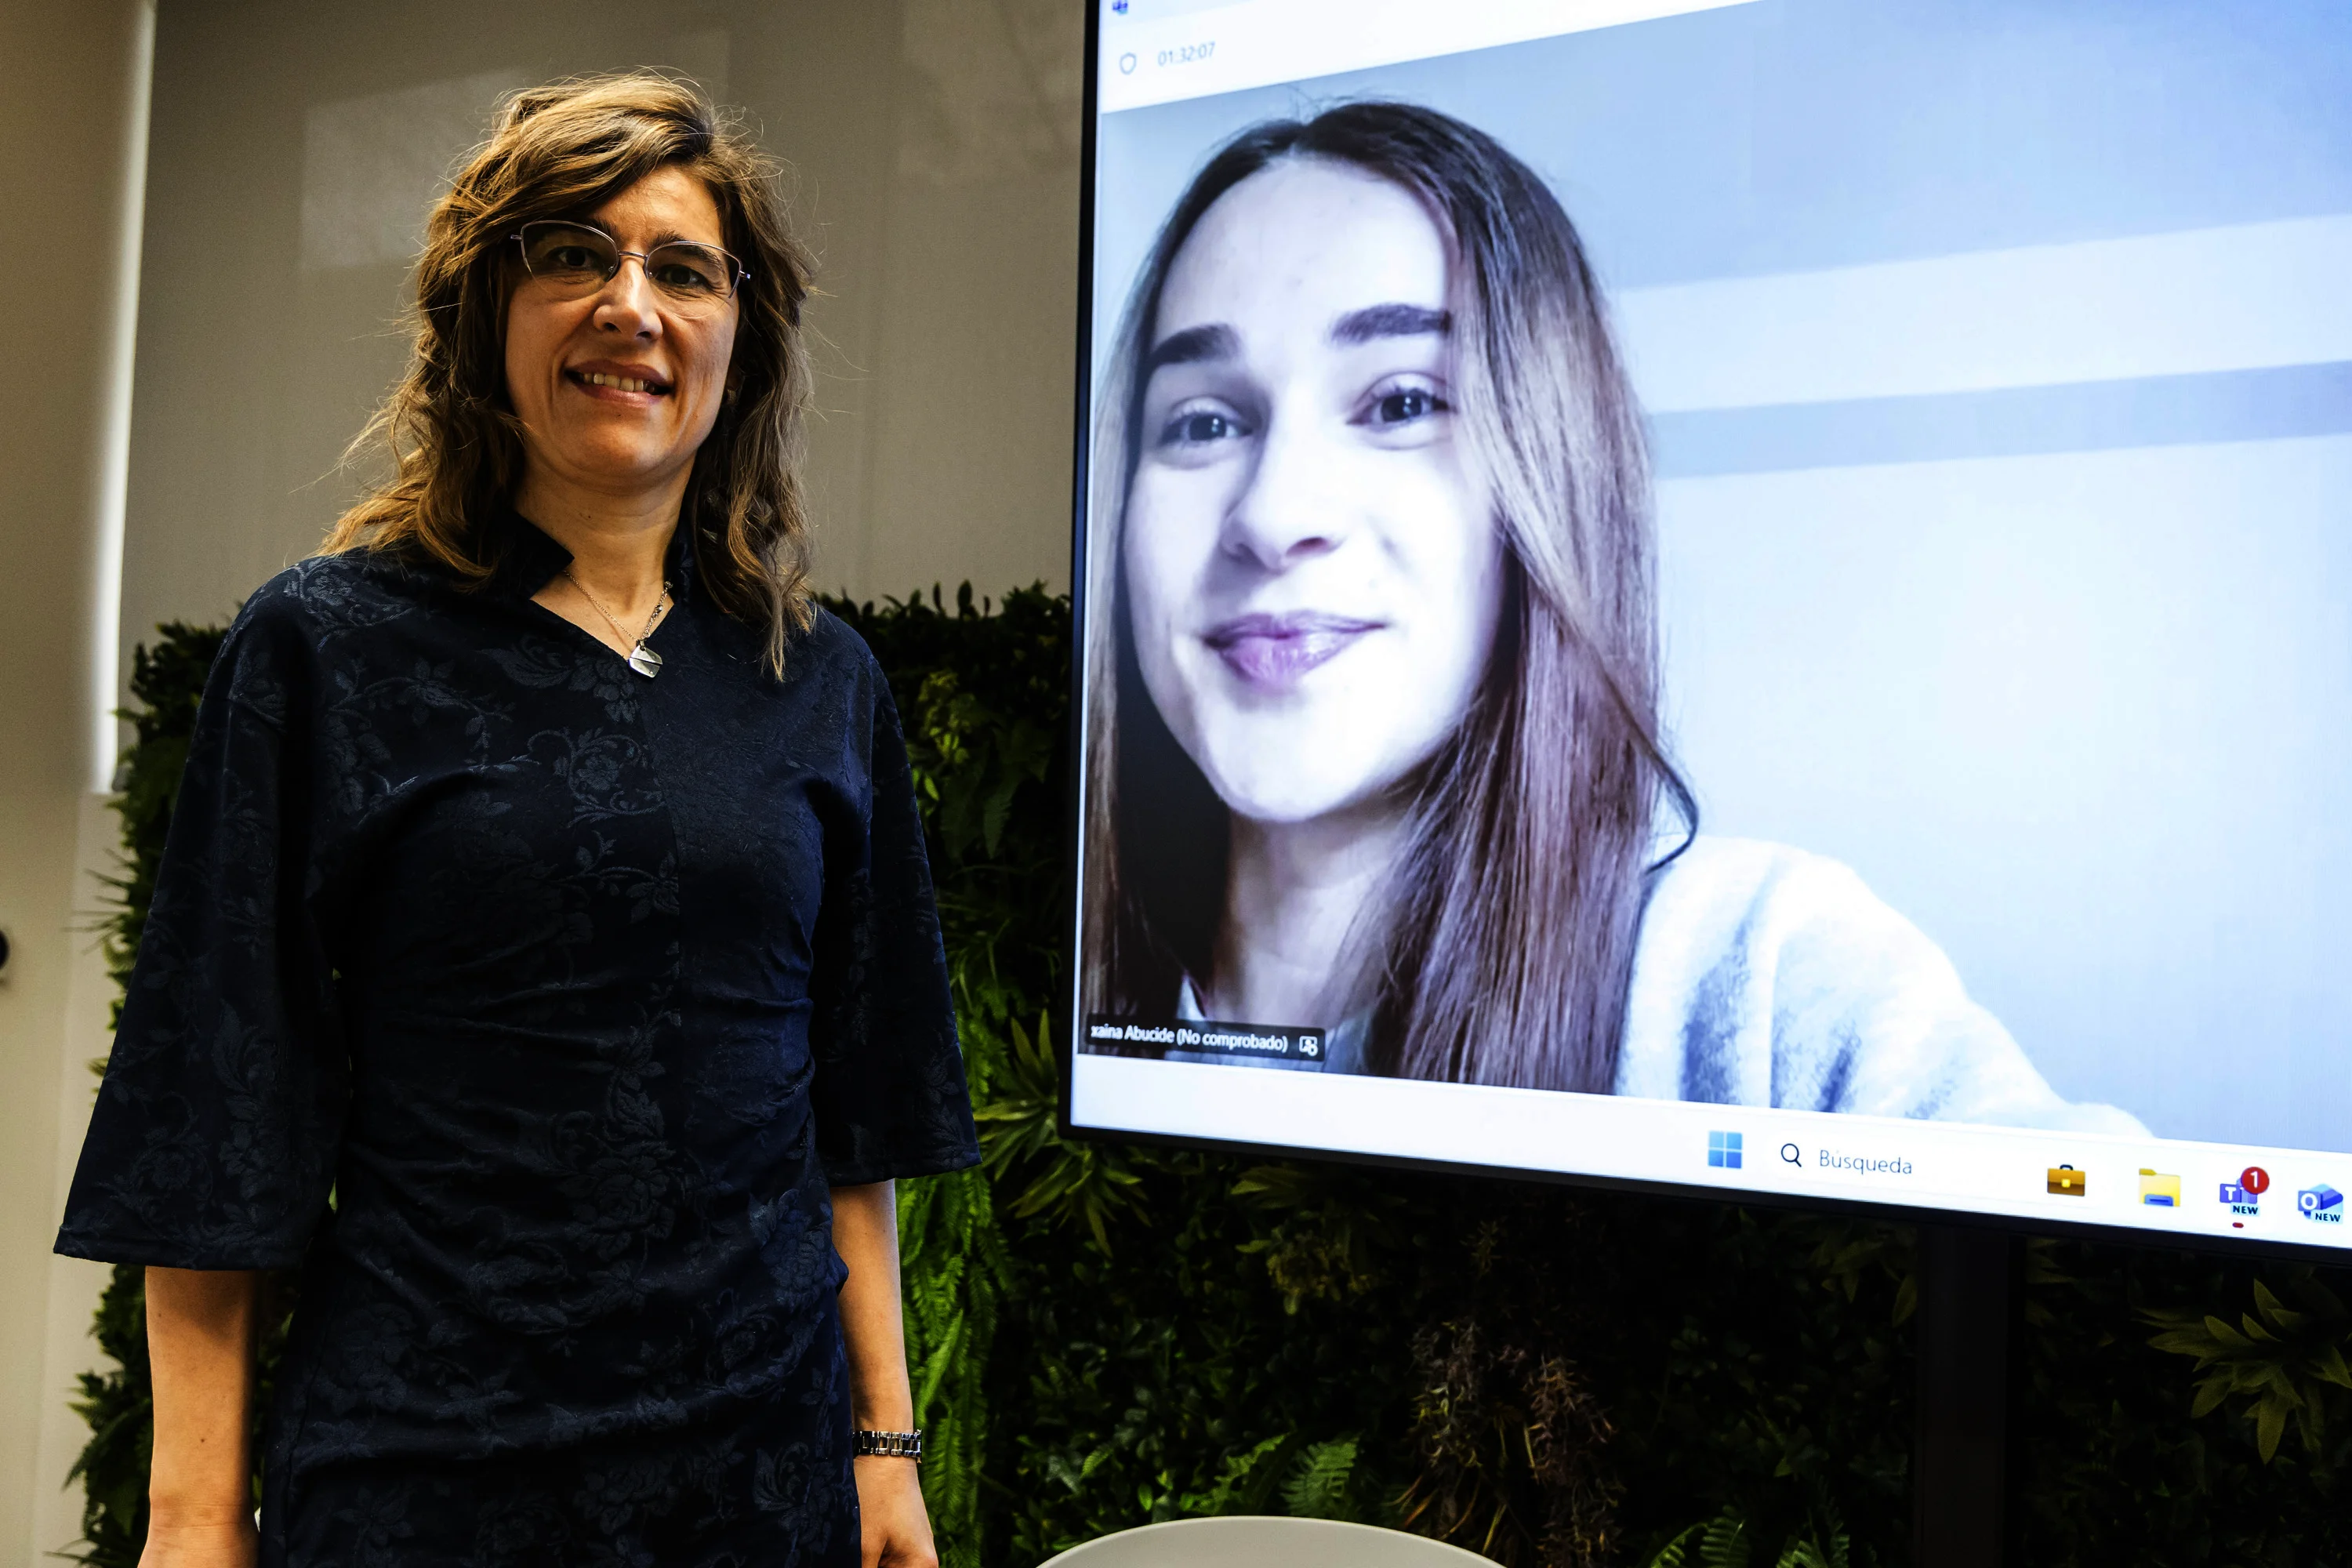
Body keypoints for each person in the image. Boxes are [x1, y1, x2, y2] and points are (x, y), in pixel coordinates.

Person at [56, 75, 977, 1567]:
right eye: (570, 255)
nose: (632, 305)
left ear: (742, 344)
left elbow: (853, 1118)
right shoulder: (326, 647)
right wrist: (190, 1518)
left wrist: (886, 1449)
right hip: (424, 1477)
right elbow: (220, 1114)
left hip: (759, 1480)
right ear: (483, 322)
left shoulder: (822, 678)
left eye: (683, 269)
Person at [1080, 102, 2142, 1135]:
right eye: (1205, 422)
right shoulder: (1029, 985)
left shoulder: (1761, 977)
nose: (1273, 516)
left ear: (1552, 480)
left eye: (1402, 402)